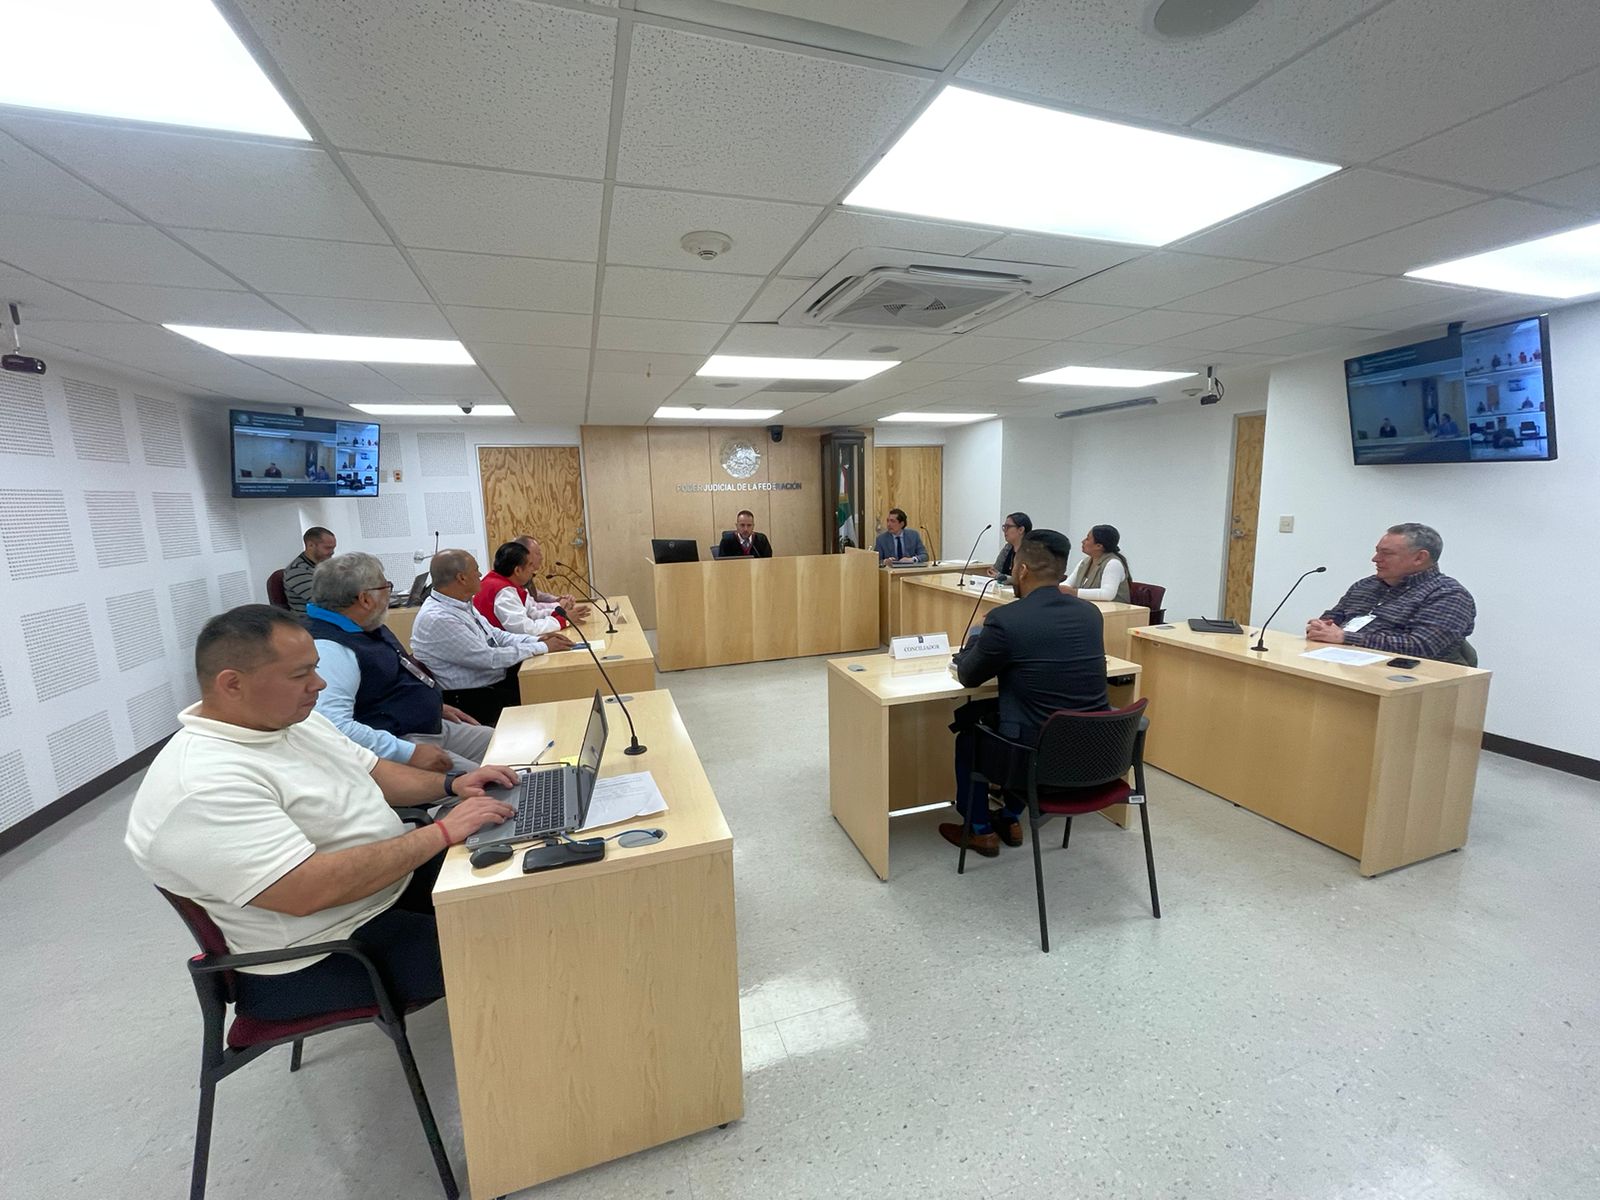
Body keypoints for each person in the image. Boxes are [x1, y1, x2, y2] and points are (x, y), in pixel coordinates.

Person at [124, 605, 518, 1020]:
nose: (320, 683)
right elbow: (308, 890)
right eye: (300, 675)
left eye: (314, 667)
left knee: (521, 885)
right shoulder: (202, 784)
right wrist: (440, 833)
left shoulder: (292, 721)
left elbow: (376, 772)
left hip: (382, 890)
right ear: (232, 684)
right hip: (324, 950)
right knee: (515, 943)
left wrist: (450, 785)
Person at [939, 530, 1110, 857]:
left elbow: (969, 676)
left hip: (1033, 758)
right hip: (1092, 752)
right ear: (1061, 573)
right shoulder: (1090, 615)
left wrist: (980, 637)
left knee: (969, 734)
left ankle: (980, 830)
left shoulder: (1006, 620)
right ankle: (1009, 817)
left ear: (1021, 570)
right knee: (1012, 714)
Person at [305, 552, 493, 773]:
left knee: (508, 743)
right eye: (386, 587)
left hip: (426, 725)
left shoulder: (363, 625)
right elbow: (334, 727)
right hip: (399, 744)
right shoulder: (330, 649)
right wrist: (407, 752)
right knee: (493, 784)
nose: (389, 594)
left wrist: (432, 706)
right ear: (365, 599)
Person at [409, 549, 571, 724]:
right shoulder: (439, 618)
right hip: (474, 697)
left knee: (549, 680)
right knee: (548, 691)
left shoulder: (460, 603)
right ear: (461, 578)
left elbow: (495, 635)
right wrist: (542, 647)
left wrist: (537, 640)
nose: (480, 574)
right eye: (476, 570)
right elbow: (488, 658)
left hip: (491, 683)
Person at [1306, 523, 1476, 664]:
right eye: (1377, 551)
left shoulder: (1449, 595)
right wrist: (1320, 627)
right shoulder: (1366, 585)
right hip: (1344, 666)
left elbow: (1421, 646)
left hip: (1408, 684)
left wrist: (1345, 637)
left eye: (1386, 553)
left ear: (1420, 558)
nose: (1375, 559)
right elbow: (1333, 617)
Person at [474, 541, 570, 636]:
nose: (533, 569)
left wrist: (560, 614)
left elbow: (531, 613)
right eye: (530, 565)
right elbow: (525, 629)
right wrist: (561, 621)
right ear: (518, 570)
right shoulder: (503, 591)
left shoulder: (501, 582)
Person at [511, 534, 590, 626]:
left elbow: (536, 594)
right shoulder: (515, 578)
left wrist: (558, 599)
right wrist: (559, 606)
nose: (541, 557)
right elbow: (532, 609)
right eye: (538, 553)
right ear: (525, 555)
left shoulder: (525, 574)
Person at [1060, 524, 1132, 603]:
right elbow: (1068, 584)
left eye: (1087, 539)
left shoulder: (1113, 564)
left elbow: (1107, 594)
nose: (1083, 541)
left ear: (1099, 546)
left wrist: (1074, 592)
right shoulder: (1084, 562)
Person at [282, 526, 336, 613]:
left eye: (333, 548)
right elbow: (324, 601)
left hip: (326, 616)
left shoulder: (324, 565)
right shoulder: (296, 571)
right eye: (327, 548)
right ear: (310, 545)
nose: (332, 552)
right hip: (308, 621)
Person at [986, 512, 1031, 582]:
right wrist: (995, 574)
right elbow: (994, 571)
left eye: (1008, 527)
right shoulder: (1008, 548)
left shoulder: (1032, 551)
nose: (1004, 531)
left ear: (1021, 530)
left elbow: (1027, 580)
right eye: (1004, 527)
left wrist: (1003, 578)